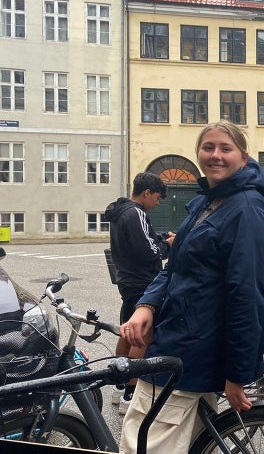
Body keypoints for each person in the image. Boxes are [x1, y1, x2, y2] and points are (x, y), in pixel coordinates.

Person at [118, 120, 264, 454]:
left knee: (140, 447)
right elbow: (175, 267)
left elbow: (248, 298)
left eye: (225, 148)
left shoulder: (246, 210)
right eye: (208, 148)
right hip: (176, 342)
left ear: (244, 158)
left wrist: (237, 374)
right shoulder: (209, 202)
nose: (215, 155)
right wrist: (147, 305)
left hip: (189, 353)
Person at [103, 172, 174, 412]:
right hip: (143, 282)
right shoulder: (137, 213)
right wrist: (168, 245)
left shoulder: (121, 212)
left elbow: (144, 240)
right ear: (147, 193)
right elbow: (150, 250)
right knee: (142, 334)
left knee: (126, 332)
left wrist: (162, 237)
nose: (158, 202)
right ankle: (131, 393)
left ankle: (120, 385)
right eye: (158, 197)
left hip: (127, 281)